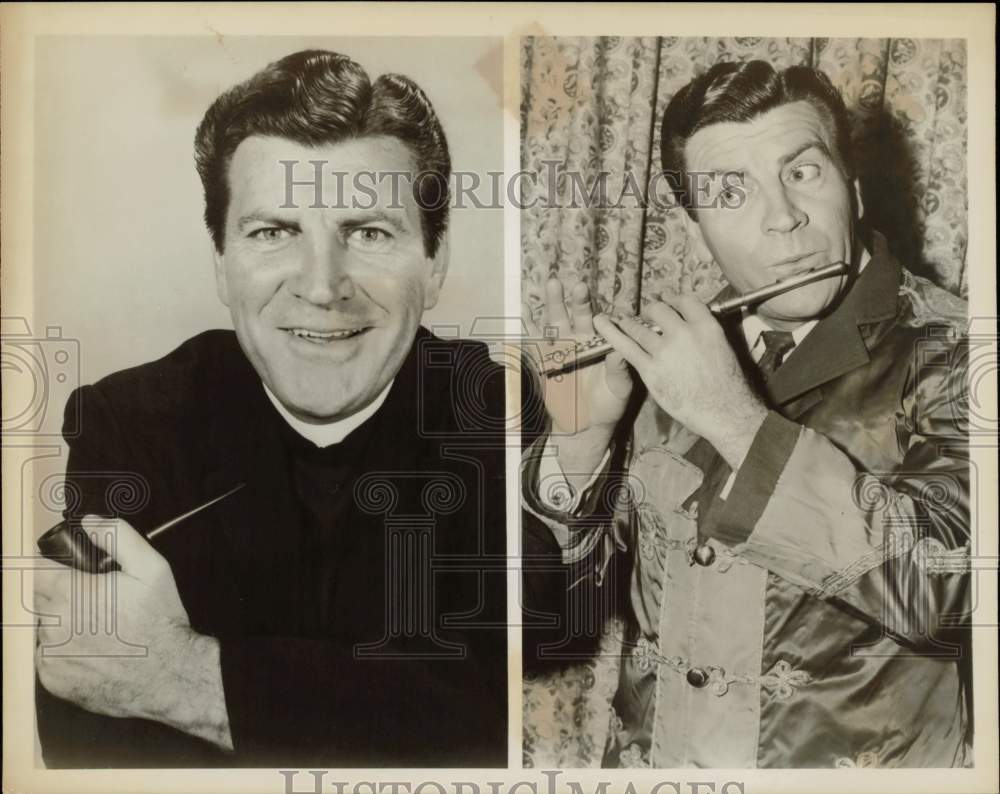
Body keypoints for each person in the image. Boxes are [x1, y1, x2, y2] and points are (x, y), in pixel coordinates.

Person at [34, 49, 507, 768]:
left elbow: (503, 727)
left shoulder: (505, 421)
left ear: (434, 264)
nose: (322, 287)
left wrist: (184, 677)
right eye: (274, 232)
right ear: (221, 262)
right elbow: (92, 711)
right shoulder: (129, 421)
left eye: (369, 233)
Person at [521, 60, 971, 768]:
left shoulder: (958, 349)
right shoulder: (676, 352)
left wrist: (734, 419)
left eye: (802, 172)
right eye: (732, 193)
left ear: (852, 188)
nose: (782, 219)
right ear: (698, 227)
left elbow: (944, 592)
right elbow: (559, 619)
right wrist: (582, 445)